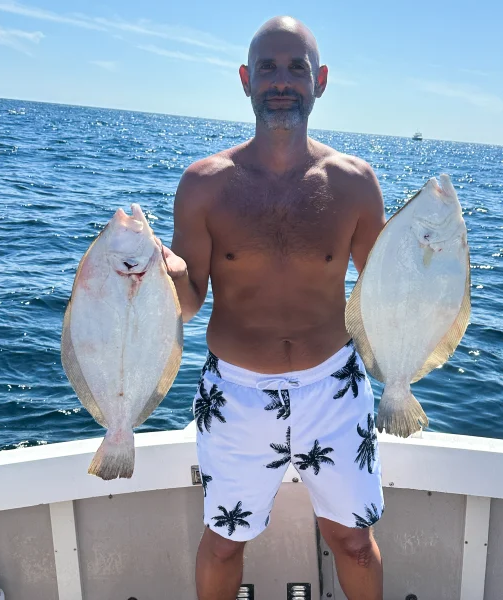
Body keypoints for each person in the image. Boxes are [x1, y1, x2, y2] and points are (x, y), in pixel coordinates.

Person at [160, 15, 386, 600]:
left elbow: (386, 297)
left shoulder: (356, 183)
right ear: (245, 79)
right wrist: (164, 278)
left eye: (295, 68)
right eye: (268, 68)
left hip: (334, 388)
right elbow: (189, 303)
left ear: (320, 80)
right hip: (235, 392)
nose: (281, 81)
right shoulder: (204, 184)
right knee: (222, 542)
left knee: (354, 542)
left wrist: (437, 259)